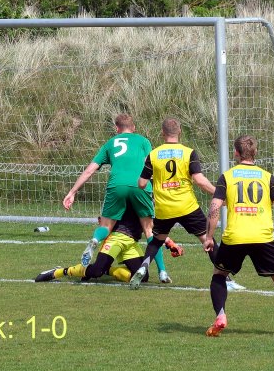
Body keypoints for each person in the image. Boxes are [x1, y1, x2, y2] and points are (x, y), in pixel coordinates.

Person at [203, 135, 274, 338]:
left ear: (236, 153)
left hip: (235, 237)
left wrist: (209, 236)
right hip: (262, 238)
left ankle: (221, 315)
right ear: (255, 152)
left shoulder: (227, 177)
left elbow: (214, 207)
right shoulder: (267, 177)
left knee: (219, 275)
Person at [129, 118, 245, 291]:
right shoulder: (188, 153)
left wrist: (156, 178)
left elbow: (141, 183)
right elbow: (200, 181)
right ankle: (226, 280)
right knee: (208, 240)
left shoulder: (153, 155)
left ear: (162, 133)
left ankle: (143, 267)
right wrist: (220, 194)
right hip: (187, 206)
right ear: (180, 132)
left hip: (164, 208)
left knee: (157, 240)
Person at [62, 113, 171, 282]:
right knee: (150, 230)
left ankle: (95, 239)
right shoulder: (143, 141)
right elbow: (151, 166)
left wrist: (72, 192)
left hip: (117, 185)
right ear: (133, 128)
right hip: (140, 185)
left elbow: (90, 170)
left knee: (106, 226)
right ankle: (162, 271)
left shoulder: (110, 143)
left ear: (117, 128)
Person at [35, 203, 182, 284]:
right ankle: (60, 271)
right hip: (116, 238)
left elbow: (151, 228)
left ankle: (108, 270)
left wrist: (170, 242)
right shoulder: (128, 192)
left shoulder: (146, 196)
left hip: (132, 242)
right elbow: (106, 218)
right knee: (96, 272)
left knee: (142, 277)